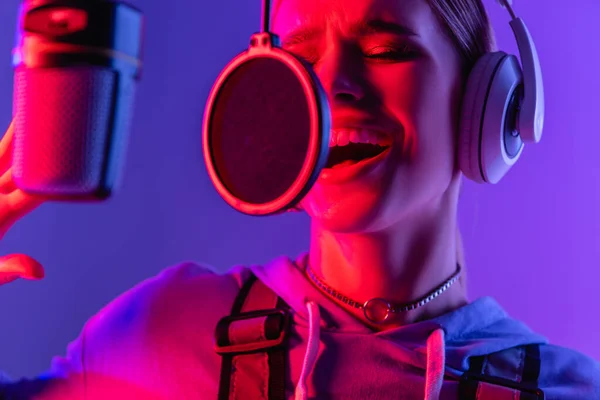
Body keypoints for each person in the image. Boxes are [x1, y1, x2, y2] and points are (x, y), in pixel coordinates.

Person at [0, 0, 599, 399]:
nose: (332, 84)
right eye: (301, 57)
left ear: (489, 105)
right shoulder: (156, 337)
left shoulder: (569, 389)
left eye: (386, 49)